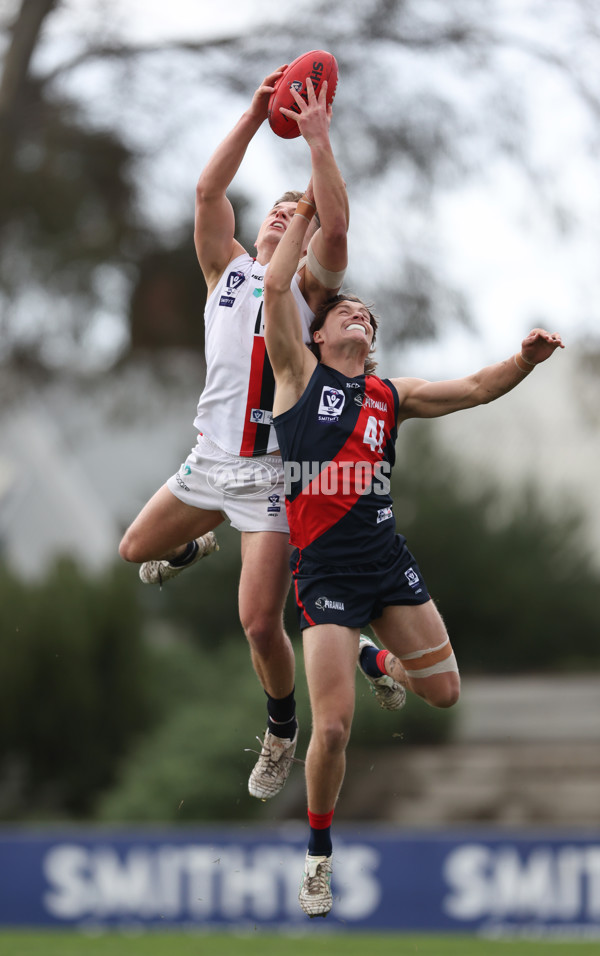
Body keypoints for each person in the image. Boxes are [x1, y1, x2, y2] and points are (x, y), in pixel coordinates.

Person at [263, 180, 565, 917]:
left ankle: (377, 659)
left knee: (444, 692)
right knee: (332, 726)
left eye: (368, 314)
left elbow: (472, 390)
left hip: (388, 564)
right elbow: (277, 285)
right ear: (319, 336)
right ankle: (319, 856)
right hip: (328, 574)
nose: (360, 314)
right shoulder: (296, 375)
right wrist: (305, 212)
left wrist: (523, 361)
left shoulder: (389, 395)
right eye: (345, 312)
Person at [118, 68, 349, 801]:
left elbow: (334, 225)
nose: (282, 220)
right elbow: (206, 194)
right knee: (135, 550)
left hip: (272, 477)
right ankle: (191, 541)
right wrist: (255, 113)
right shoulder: (227, 270)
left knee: (257, 624)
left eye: (295, 219)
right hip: (210, 460)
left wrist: (317, 148)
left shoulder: (308, 293)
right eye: (274, 217)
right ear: (255, 232)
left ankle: (281, 729)